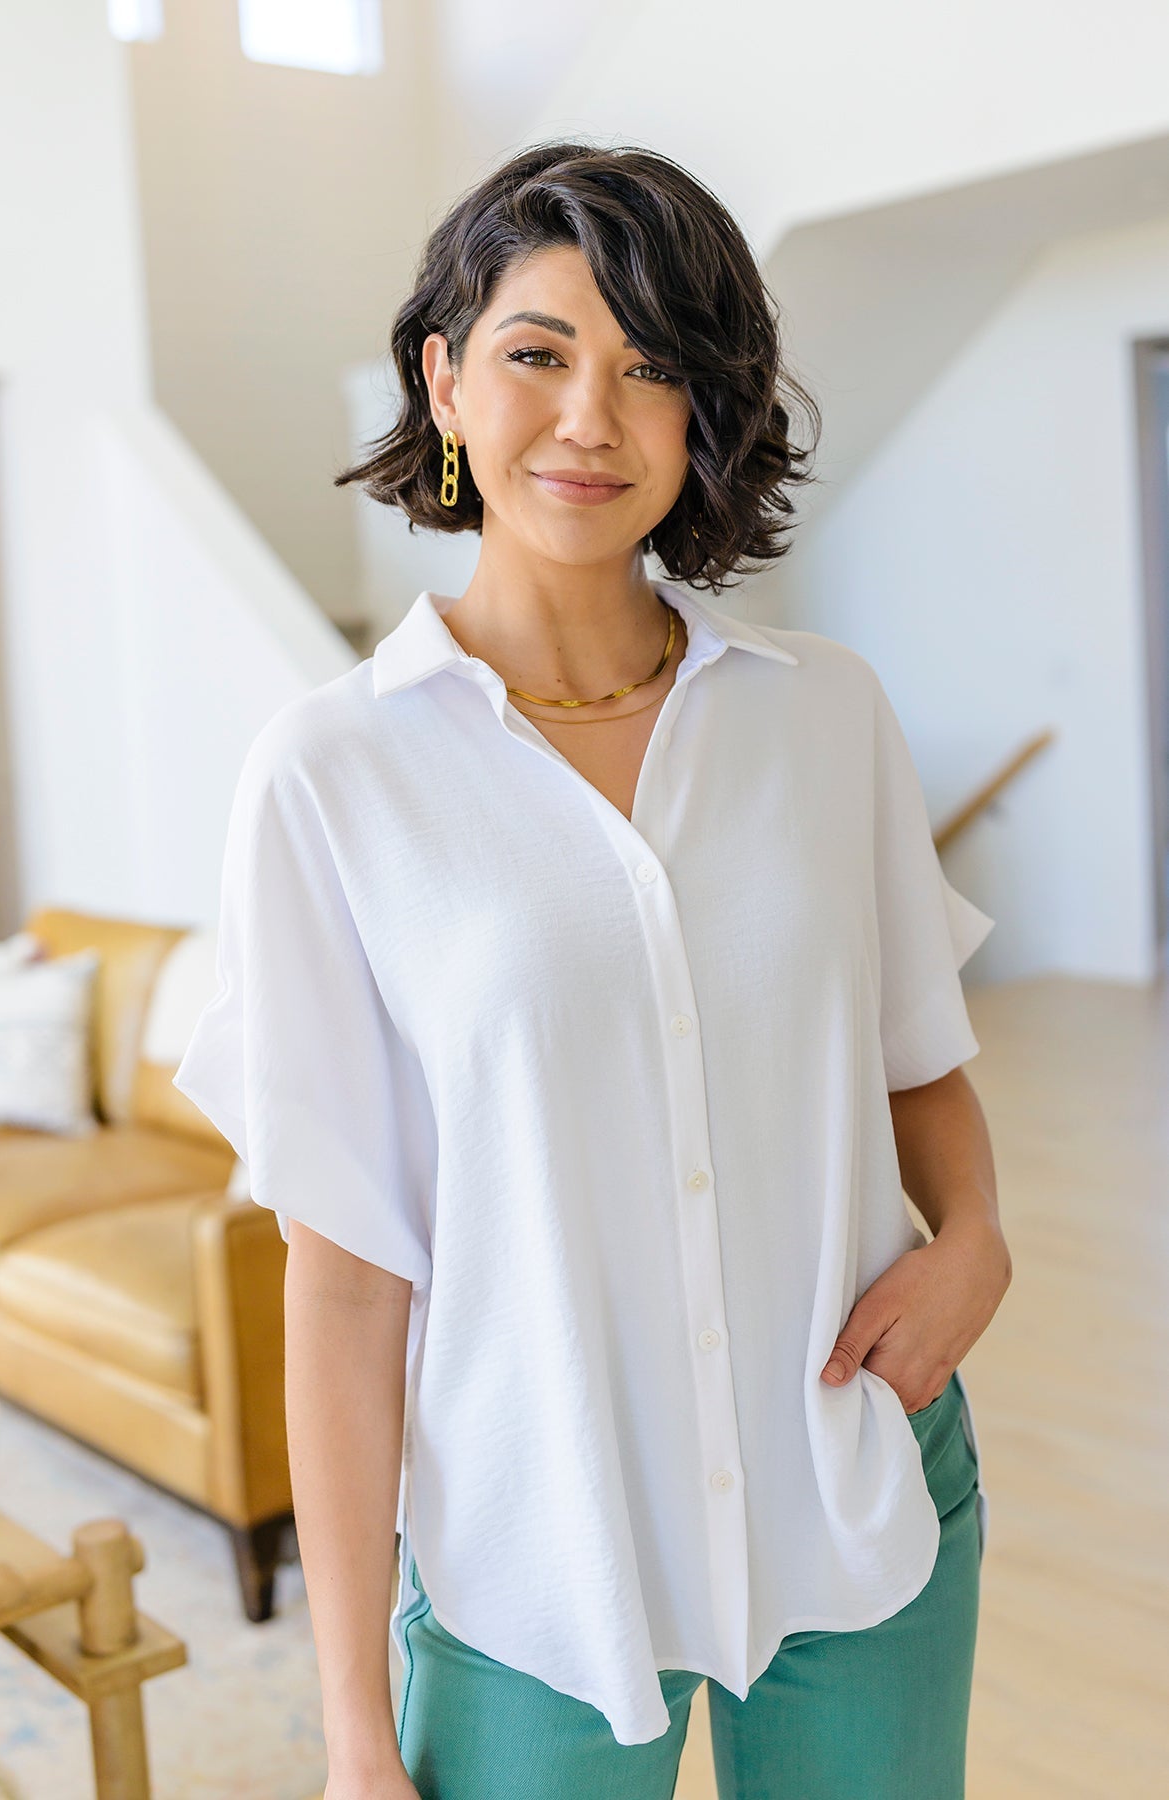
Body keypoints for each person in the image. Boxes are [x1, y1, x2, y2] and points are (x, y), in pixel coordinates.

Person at [172, 140, 1013, 1800]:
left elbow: (917, 1052)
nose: (589, 422)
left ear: (704, 414)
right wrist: (351, 1731)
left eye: (653, 373)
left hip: (852, 1490)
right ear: (447, 378)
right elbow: (342, 1283)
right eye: (539, 355)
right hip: (526, 1554)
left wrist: (978, 1243)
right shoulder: (332, 772)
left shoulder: (821, 713)